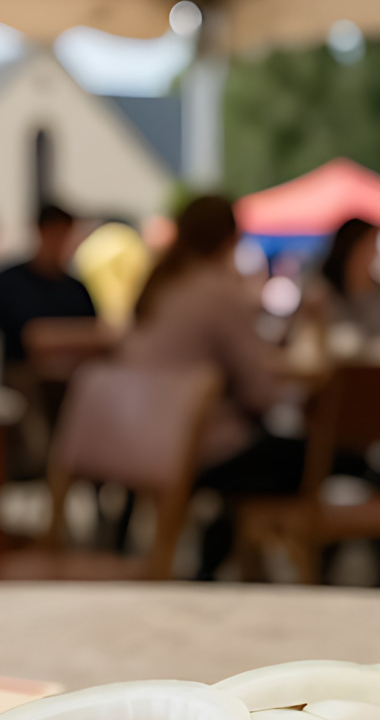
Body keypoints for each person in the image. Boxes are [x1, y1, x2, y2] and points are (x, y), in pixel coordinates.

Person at [117, 193, 294, 579]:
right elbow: (261, 393)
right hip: (190, 446)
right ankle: (226, 566)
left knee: (266, 452)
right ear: (231, 239)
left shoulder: (160, 285)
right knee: (303, 456)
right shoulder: (218, 292)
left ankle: (223, 557)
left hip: (138, 438)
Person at [0, 204, 95, 365]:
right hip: (15, 375)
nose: (60, 241)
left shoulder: (76, 290)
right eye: (54, 233)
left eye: (64, 234)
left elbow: (93, 334)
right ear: (40, 232)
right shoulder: (4, 285)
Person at [304, 216, 380, 341]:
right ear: (350, 247)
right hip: (336, 360)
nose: (375, 252)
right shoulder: (320, 292)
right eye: (369, 245)